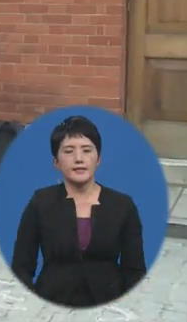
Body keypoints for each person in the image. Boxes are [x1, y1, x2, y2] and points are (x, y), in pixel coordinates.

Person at [11, 115, 146, 308]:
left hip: (108, 303)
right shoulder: (41, 202)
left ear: (98, 158)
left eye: (86, 150)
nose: (79, 159)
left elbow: (135, 271)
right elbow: (21, 266)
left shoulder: (122, 205)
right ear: (56, 162)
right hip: (51, 299)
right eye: (68, 151)